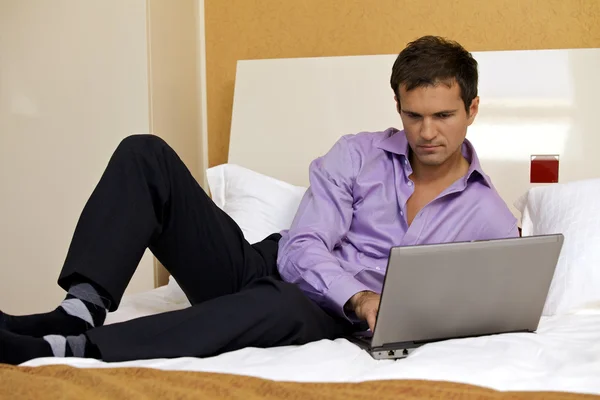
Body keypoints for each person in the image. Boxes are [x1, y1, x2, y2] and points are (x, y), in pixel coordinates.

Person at [0, 35, 518, 365]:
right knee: (145, 154)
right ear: (399, 108)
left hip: (328, 317)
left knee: (283, 307)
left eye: (443, 116)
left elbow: (496, 304)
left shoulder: (490, 215)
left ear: (472, 109)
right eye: (413, 115)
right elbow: (302, 246)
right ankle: (80, 310)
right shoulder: (358, 154)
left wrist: (382, 314)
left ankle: (75, 350)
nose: (426, 132)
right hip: (265, 266)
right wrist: (361, 296)